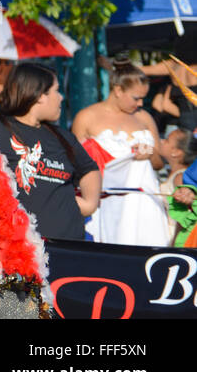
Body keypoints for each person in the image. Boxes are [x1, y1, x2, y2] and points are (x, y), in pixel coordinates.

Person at [0, 63, 101, 241]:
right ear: (40, 95)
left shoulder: (61, 137)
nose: (61, 98)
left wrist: (89, 204)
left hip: (69, 249)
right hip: (15, 251)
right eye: (56, 91)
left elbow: (88, 169)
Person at [72, 57, 171, 246]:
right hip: (106, 202)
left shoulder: (144, 117)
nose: (141, 103)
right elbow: (76, 163)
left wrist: (149, 153)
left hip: (144, 202)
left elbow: (159, 164)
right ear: (118, 90)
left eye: (143, 98)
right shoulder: (87, 117)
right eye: (136, 98)